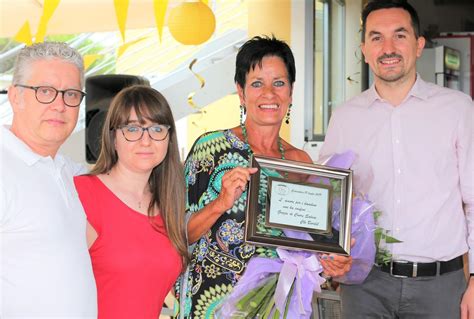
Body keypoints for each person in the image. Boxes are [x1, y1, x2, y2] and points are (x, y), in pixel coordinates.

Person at [177, 35, 353, 318]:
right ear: (241, 91)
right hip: (213, 304)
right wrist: (220, 203)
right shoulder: (211, 149)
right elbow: (179, 235)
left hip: (278, 307)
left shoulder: (301, 163)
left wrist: (333, 258)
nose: (269, 94)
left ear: (291, 92)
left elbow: (310, 245)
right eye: (257, 83)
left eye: (279, 83)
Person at [319, 1, 474, 318]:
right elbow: (330, 198)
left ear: (418, 45)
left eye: (399, 35)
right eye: (376, 37)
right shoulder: (345, 118)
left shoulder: (458, 109)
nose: (387, 48)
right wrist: (330, 255)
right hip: (364, 286)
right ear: (364, 49)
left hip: (440, 286)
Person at [73, 85, 188, 319]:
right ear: (113, 137)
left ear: (168, 138)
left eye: (156, 128)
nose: (146, 140)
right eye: (133, 129)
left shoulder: (168, 205)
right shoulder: (82, 194)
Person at [0, 42, 97, 317]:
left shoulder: (72, 173)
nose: (59, 105)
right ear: (16, 96)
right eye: (45, 91)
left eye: (71, 94)